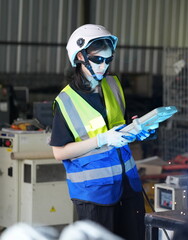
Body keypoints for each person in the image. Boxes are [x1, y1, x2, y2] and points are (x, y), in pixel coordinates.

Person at [50, 24, 151, 240]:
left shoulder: (113, 85)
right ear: (79, 57)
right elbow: (59, 152)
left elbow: (118, 124)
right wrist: (102, 139)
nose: (103, 66)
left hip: (128, 184)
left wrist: (136, 131)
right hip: (94, 193)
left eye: (108, 60)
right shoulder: (66, 101)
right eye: (97, 60)